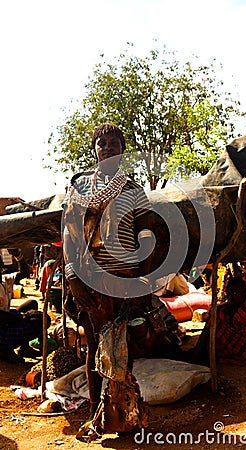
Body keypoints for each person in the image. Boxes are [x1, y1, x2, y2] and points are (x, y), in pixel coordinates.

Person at [62, 123, 154, 439]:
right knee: (94, 349)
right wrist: (73, 279)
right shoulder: (80, 188)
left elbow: (146, 236)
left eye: (114, 142)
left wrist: (145, 281)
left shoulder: (133, 190)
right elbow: (69, 236)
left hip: (126, 281)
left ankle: (124, 418)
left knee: (124, 349)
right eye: (102, 142)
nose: (108, 146)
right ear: (95, 149)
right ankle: (94, 415)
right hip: (90, 283)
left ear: (122, 150)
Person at [189, 277, 246, 366]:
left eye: (235, 293)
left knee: (214, 323)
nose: (231, 297)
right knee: (218, 317)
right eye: (229, 294)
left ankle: (196, 354)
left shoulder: (244, 312)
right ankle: (200, 351)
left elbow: (230, 319)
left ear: (245, 292)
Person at [0, 298, 51, 363]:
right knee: (40, 320)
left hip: (7, 316)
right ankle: (5, 349)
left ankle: (25, 348)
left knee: (32, 304)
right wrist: (21, 316)